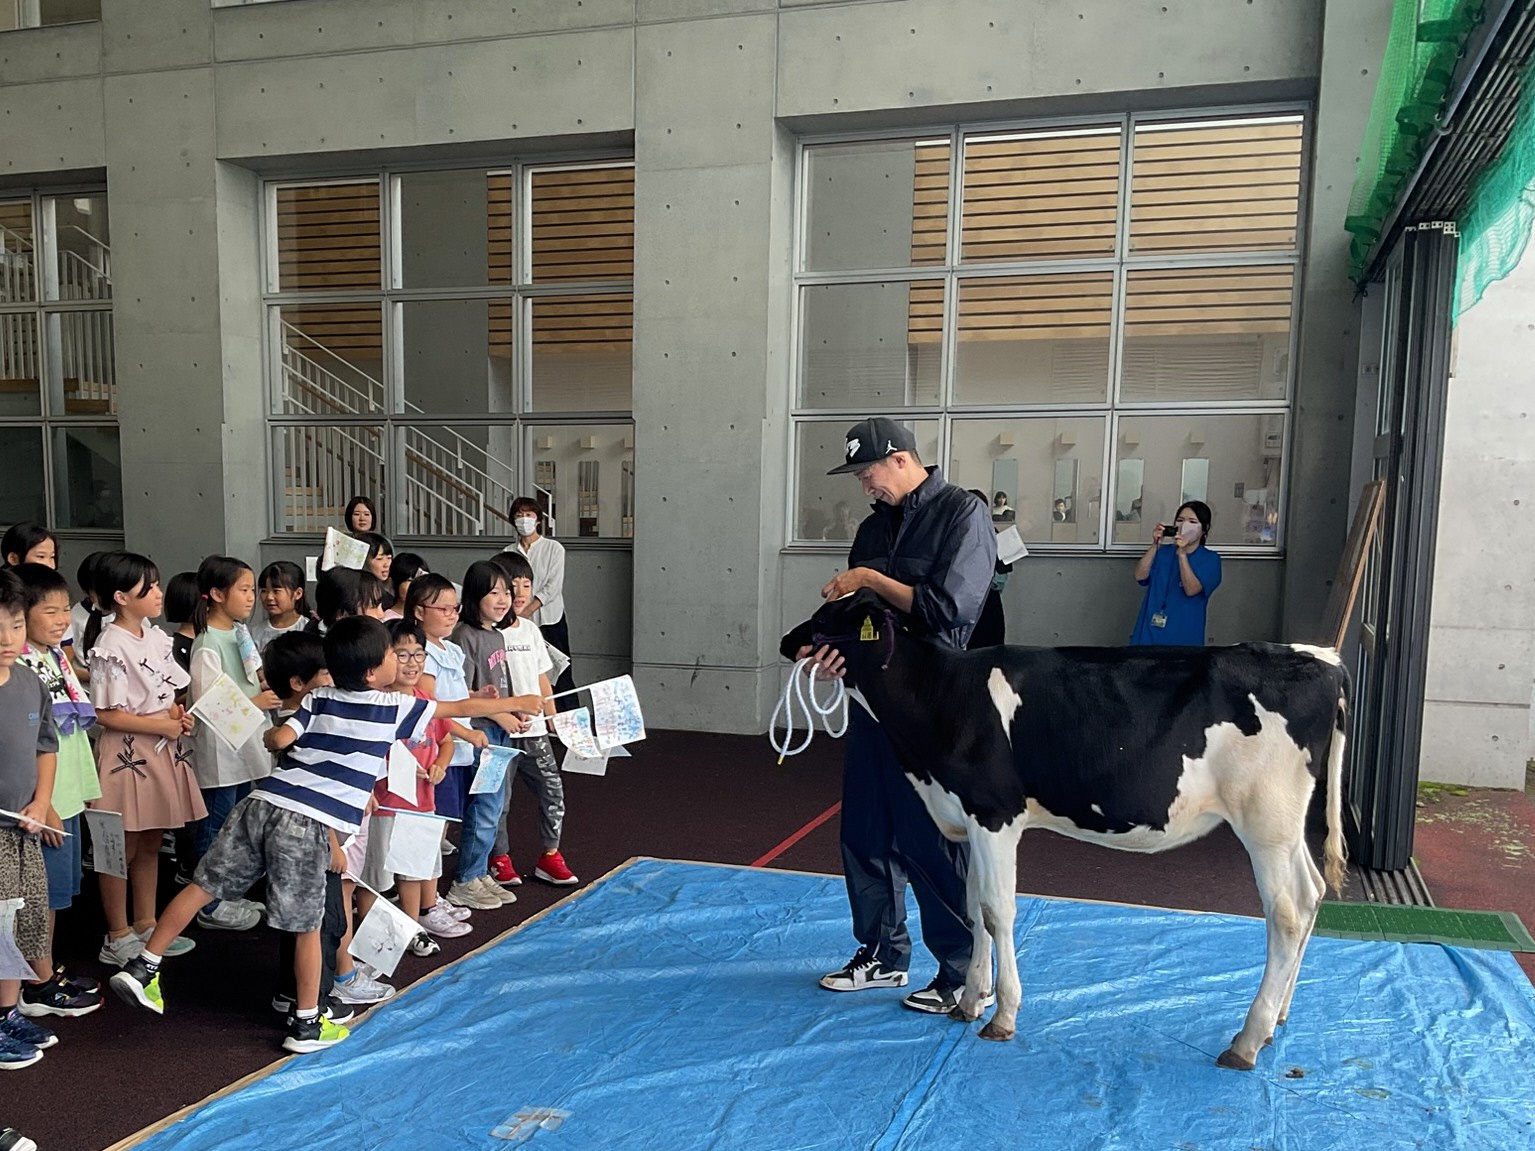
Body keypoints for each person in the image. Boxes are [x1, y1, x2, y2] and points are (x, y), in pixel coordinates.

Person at [109, 617, 539, 1053]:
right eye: (391, 655)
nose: (398, 661)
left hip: (262, 804)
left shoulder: (319, 697)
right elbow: (457, 708)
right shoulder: (393, 706)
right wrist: (518, 701)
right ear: (371, 672)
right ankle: (307, 1025)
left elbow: (280, 737)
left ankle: (145, 966)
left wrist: (276, 736)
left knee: (204, 886)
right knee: (308, 926)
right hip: (307, 825)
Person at [796, 417, 997, 1014]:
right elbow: (860, 615)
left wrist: (869, 578)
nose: (864, 486)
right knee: (865, 831)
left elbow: (949, 611)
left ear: (903, 459)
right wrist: (829, 650)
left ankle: (962, 970)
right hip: (872, 702)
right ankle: (882, 953)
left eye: (869, 473)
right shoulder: (871, 528)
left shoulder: (963, 514)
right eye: (859, 477)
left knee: (930, 839)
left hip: (932, 707)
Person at [84, 553, 202, 969]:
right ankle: (117, 934)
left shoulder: (154, 635)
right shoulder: (109, 645)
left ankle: (146, 923)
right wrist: (161, 725)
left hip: (159, 747)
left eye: (155, 585)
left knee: (151, 840)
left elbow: (167, 694)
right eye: (147, 588)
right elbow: (106, 714)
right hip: (128, 752)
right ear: (120, 597)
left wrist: (176, 716)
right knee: (120, 845)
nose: (158, 593)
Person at [13, 564, 104, 1020]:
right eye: (50, 611)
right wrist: (44, 802)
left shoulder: (54, 658)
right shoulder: (20, 666)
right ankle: (37, 982)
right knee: (38, 896)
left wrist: (85, 786)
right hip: (42, 802)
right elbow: (27, 747)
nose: (62, 619)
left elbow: (67, 736)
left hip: (64, 793)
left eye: (66, 609)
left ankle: (42, 973)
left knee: (55, 895)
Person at [187, 556, 280, 932]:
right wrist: (257, 701)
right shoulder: (207, 642)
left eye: (251, 589)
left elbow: (251, 677)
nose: (251, 597)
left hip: (244, 746)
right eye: (243, 590)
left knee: (234, 826)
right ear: (216, 594)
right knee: (216, 827)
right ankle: (208, 905)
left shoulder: (239, 633)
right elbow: (207, 701)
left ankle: (224, 893)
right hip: (222, 752)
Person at [0, 568, 67, 1070]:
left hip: (23, 831)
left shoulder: (29, 681)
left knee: (19, 923)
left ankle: (7, 1013)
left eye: (16, 625)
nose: (8, 639)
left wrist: (42, 803)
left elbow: (47, 747)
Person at [405, 575, 501, 912]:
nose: (451, 615)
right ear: (419, 611)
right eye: (442, 609)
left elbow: (456, 697)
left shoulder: (451, 649)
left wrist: (477, 695)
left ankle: (430, 897)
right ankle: (426, 901)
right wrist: (468, 732)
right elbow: (432, 709)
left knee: (443, 824)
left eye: (454, 608)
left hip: (455, 753)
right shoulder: (423, 654)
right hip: (437, 752)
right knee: (430, 828)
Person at [494, 551, 575, 887]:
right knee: (497, 800)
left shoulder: (530, 629)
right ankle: (499, 858)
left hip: (536, 730)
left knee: (552, 790)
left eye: (527, 584)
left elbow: (543, 678)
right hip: (499, 733)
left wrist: (553, 718)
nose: (520, 592)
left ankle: (550, 855)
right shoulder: (486, 633)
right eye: (512, 585)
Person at [502, 497, 577, 708]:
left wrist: (527, 610)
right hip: (518, 623)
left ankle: (568, 717)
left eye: (528, 515)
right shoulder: (507, 553)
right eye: (519, 515)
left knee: (560, 671)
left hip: (550, 620)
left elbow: (553, 587)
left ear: (537, 519)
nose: (523, 519)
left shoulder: (554, 548)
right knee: (527, 670)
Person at [1130, 500, 1222, 647]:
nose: (1184, 525)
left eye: (1192, 522)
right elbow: (1140, 575)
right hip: (1148, 634)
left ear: (1204, 529)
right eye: (1180, 520)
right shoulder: (1163, 552)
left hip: (1183, 637)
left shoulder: (1210, 559)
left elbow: (1191, 589)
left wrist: (1182, 554)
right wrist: (1155, 545)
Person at [965, 490, 1011, 650]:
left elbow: (1001, 577)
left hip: (985, 601)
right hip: (978, 601)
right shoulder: (959, 533)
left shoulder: (995, 534)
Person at [250, 561, 312, 652]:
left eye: (276, 591)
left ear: (298, 593)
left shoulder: (310, 629)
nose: (269, 597)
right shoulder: (255, 634)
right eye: (264, 591)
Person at [383, 553, 429, 622]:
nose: (418, 585)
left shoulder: (430, 617)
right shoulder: (386, 620)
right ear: (392, 583)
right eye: (410, 580)